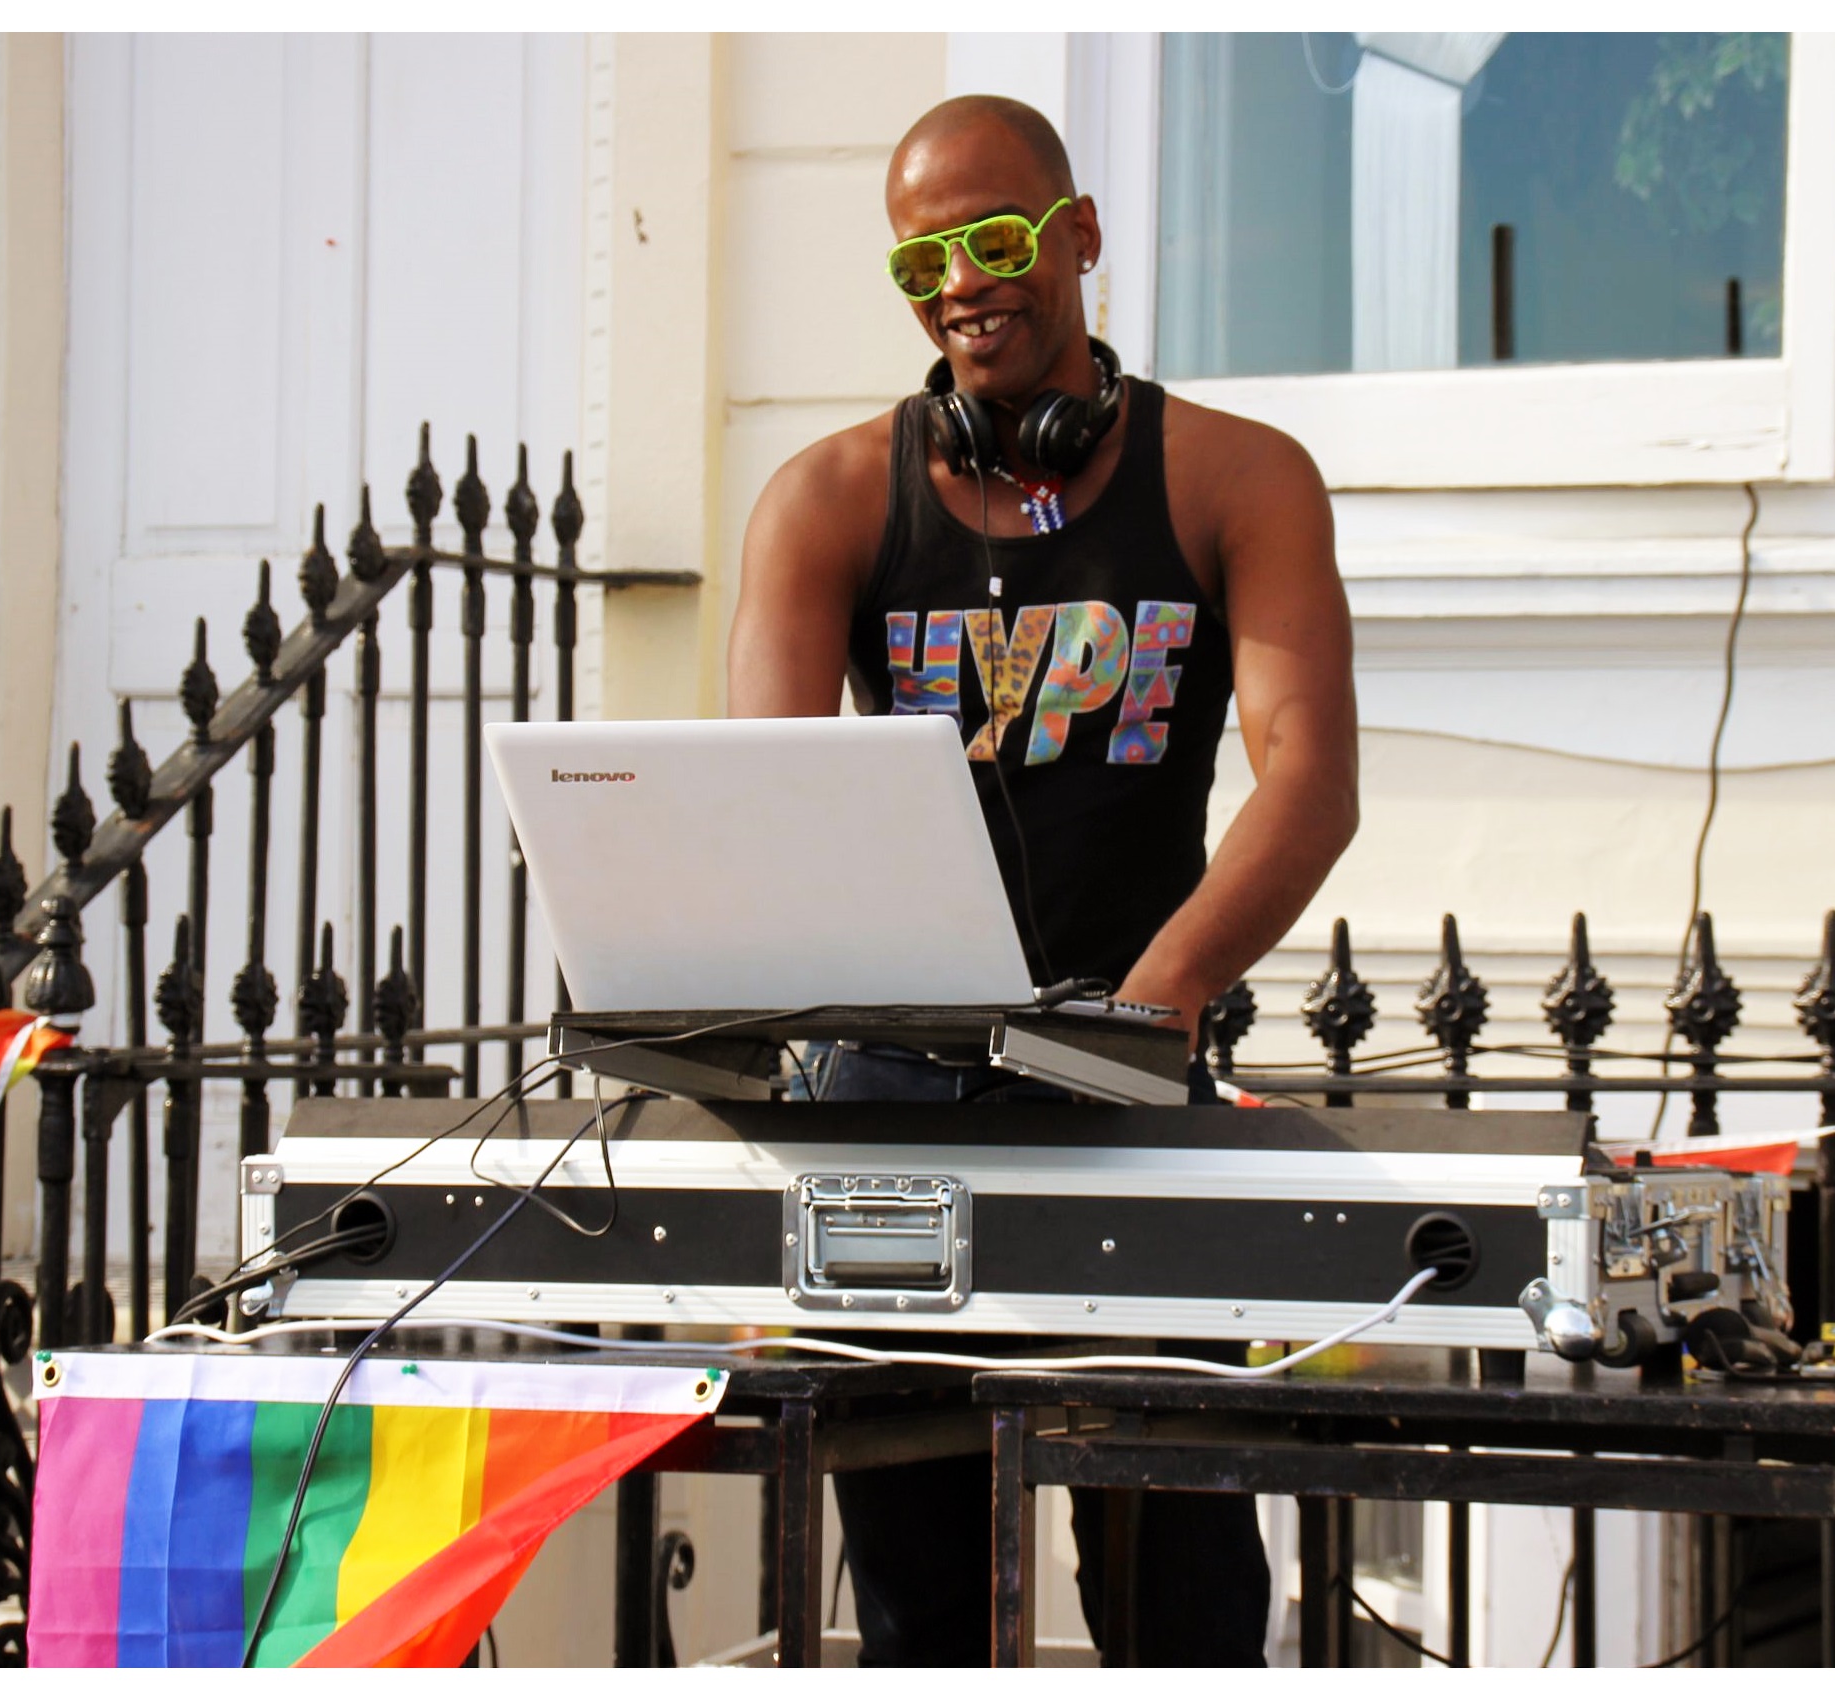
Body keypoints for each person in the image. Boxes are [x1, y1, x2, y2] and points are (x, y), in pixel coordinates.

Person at [727, 94, 1359, 1667]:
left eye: (995, 243)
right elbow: (763, 804)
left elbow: (1309, 785)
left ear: (1077, 239)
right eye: (921, 264)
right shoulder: (821, 504)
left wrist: (1149, 1017)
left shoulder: (1234, 479)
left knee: (1179, 1588)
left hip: (1129, 1082)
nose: (962, 286)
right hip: (886, 1096)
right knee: (920, 1595)